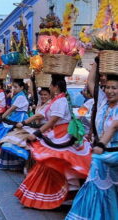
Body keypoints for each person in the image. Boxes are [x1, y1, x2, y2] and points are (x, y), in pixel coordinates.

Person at [15, 75, 92, 210]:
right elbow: (44, 116)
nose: (49, 87)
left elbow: (54, 120)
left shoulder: (65, 101)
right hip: (57, 133)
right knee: (50, 163)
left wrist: (37, 134)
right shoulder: (58, 100)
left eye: (51, 85)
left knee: (55, 162)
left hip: (62, 135)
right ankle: (59, 194)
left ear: (55, 87)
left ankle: (63, 194)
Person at [66, 63, 118, 220]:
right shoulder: (102, 102)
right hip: (101, 158)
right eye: (107, 87)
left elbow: (114, 125)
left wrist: (101, 144)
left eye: (114, 88)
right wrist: (96, 62)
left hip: (113, 156)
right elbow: (91, 83)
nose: (109, 91)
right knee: (94, 189)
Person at [0, 88, 51, 171]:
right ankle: (19, 163)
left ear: (50, 96)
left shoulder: (49, 105)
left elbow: (37, 116)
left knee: (24, 139)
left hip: (44, 130)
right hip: (34, 126)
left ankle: (28, 165)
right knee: (11, 135)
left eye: (45, 95)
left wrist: (23, 123)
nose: (43, 96)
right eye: (42, 95)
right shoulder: (40, 104)